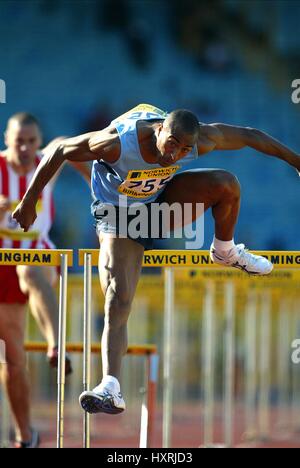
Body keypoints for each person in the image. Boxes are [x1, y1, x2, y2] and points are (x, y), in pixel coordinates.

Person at [12, 103, 300, 416]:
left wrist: (296, 161)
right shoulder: (116, 143)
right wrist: (30, 201)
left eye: (184, 149)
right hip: (117, 215)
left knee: (226, 183)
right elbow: (62, 150)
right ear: (159, 129)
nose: (175, 154)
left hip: (159, 205)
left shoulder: (200, 140)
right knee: (118, 298)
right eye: (171, 144)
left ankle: (225, 249)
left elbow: (250, 135)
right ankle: (110, 385)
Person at [0, 112, 90, 447]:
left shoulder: (46, 161)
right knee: (12, 359)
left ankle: (55, 343)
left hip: (38, 254)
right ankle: (26, 435)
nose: (25, 148)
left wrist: (97, 188)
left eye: (31, 141)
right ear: (7, 140)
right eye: (18, 141)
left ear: (38, 143)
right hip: (0, 263)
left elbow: (69, 146)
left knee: (29, 269)